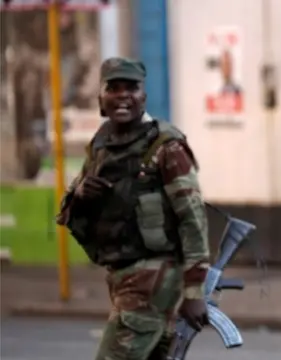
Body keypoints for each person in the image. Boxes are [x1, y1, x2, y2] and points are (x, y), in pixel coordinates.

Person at [56, 57, 210, 360]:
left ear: (144, 96)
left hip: (152, 280)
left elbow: (193, 220)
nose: (123, 95)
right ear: (101, 96)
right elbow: (67, 208)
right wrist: (81, 195)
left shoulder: (166, 146)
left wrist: (194, 292)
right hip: (121, 276)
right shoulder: (102, 143)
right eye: (114, 88)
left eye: (132, 88)